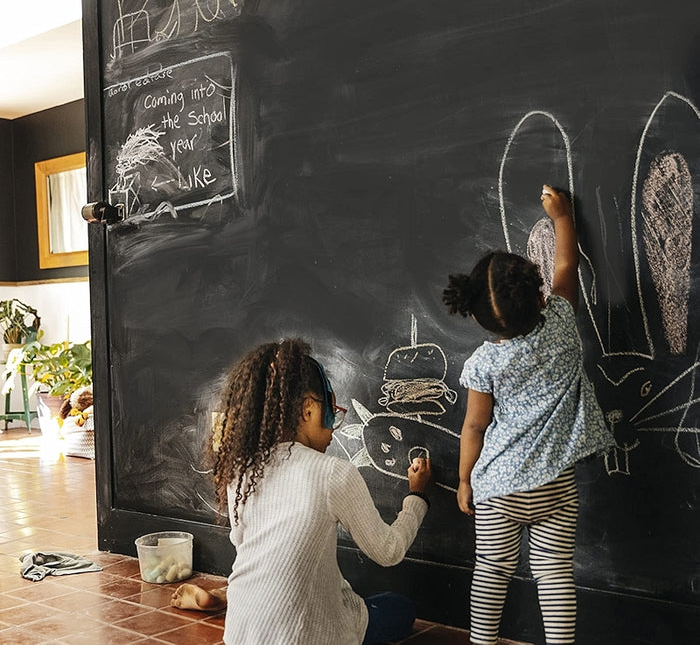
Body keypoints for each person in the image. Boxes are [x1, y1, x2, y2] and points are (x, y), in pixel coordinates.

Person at [171, 338, 432, 645]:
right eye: (331, 411)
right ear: (309, 410)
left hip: (241, 633)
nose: (334, 425)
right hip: (309, 635)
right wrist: (417, 497)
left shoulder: (242, 470)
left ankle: (226, 595)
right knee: (399, 608)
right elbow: (388, 552)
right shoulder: (332, 473)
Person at [442, 185, 614, 645]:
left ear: (477, 319)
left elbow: (475, 426)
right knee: (555, 574)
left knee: (492, 572)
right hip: (555, 483)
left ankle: (483, 643)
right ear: (539, 297)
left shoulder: (484, 363)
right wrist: (561, 218)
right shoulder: (560, 321)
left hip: (500, 487)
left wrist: (464, 480)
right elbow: (566, 266)